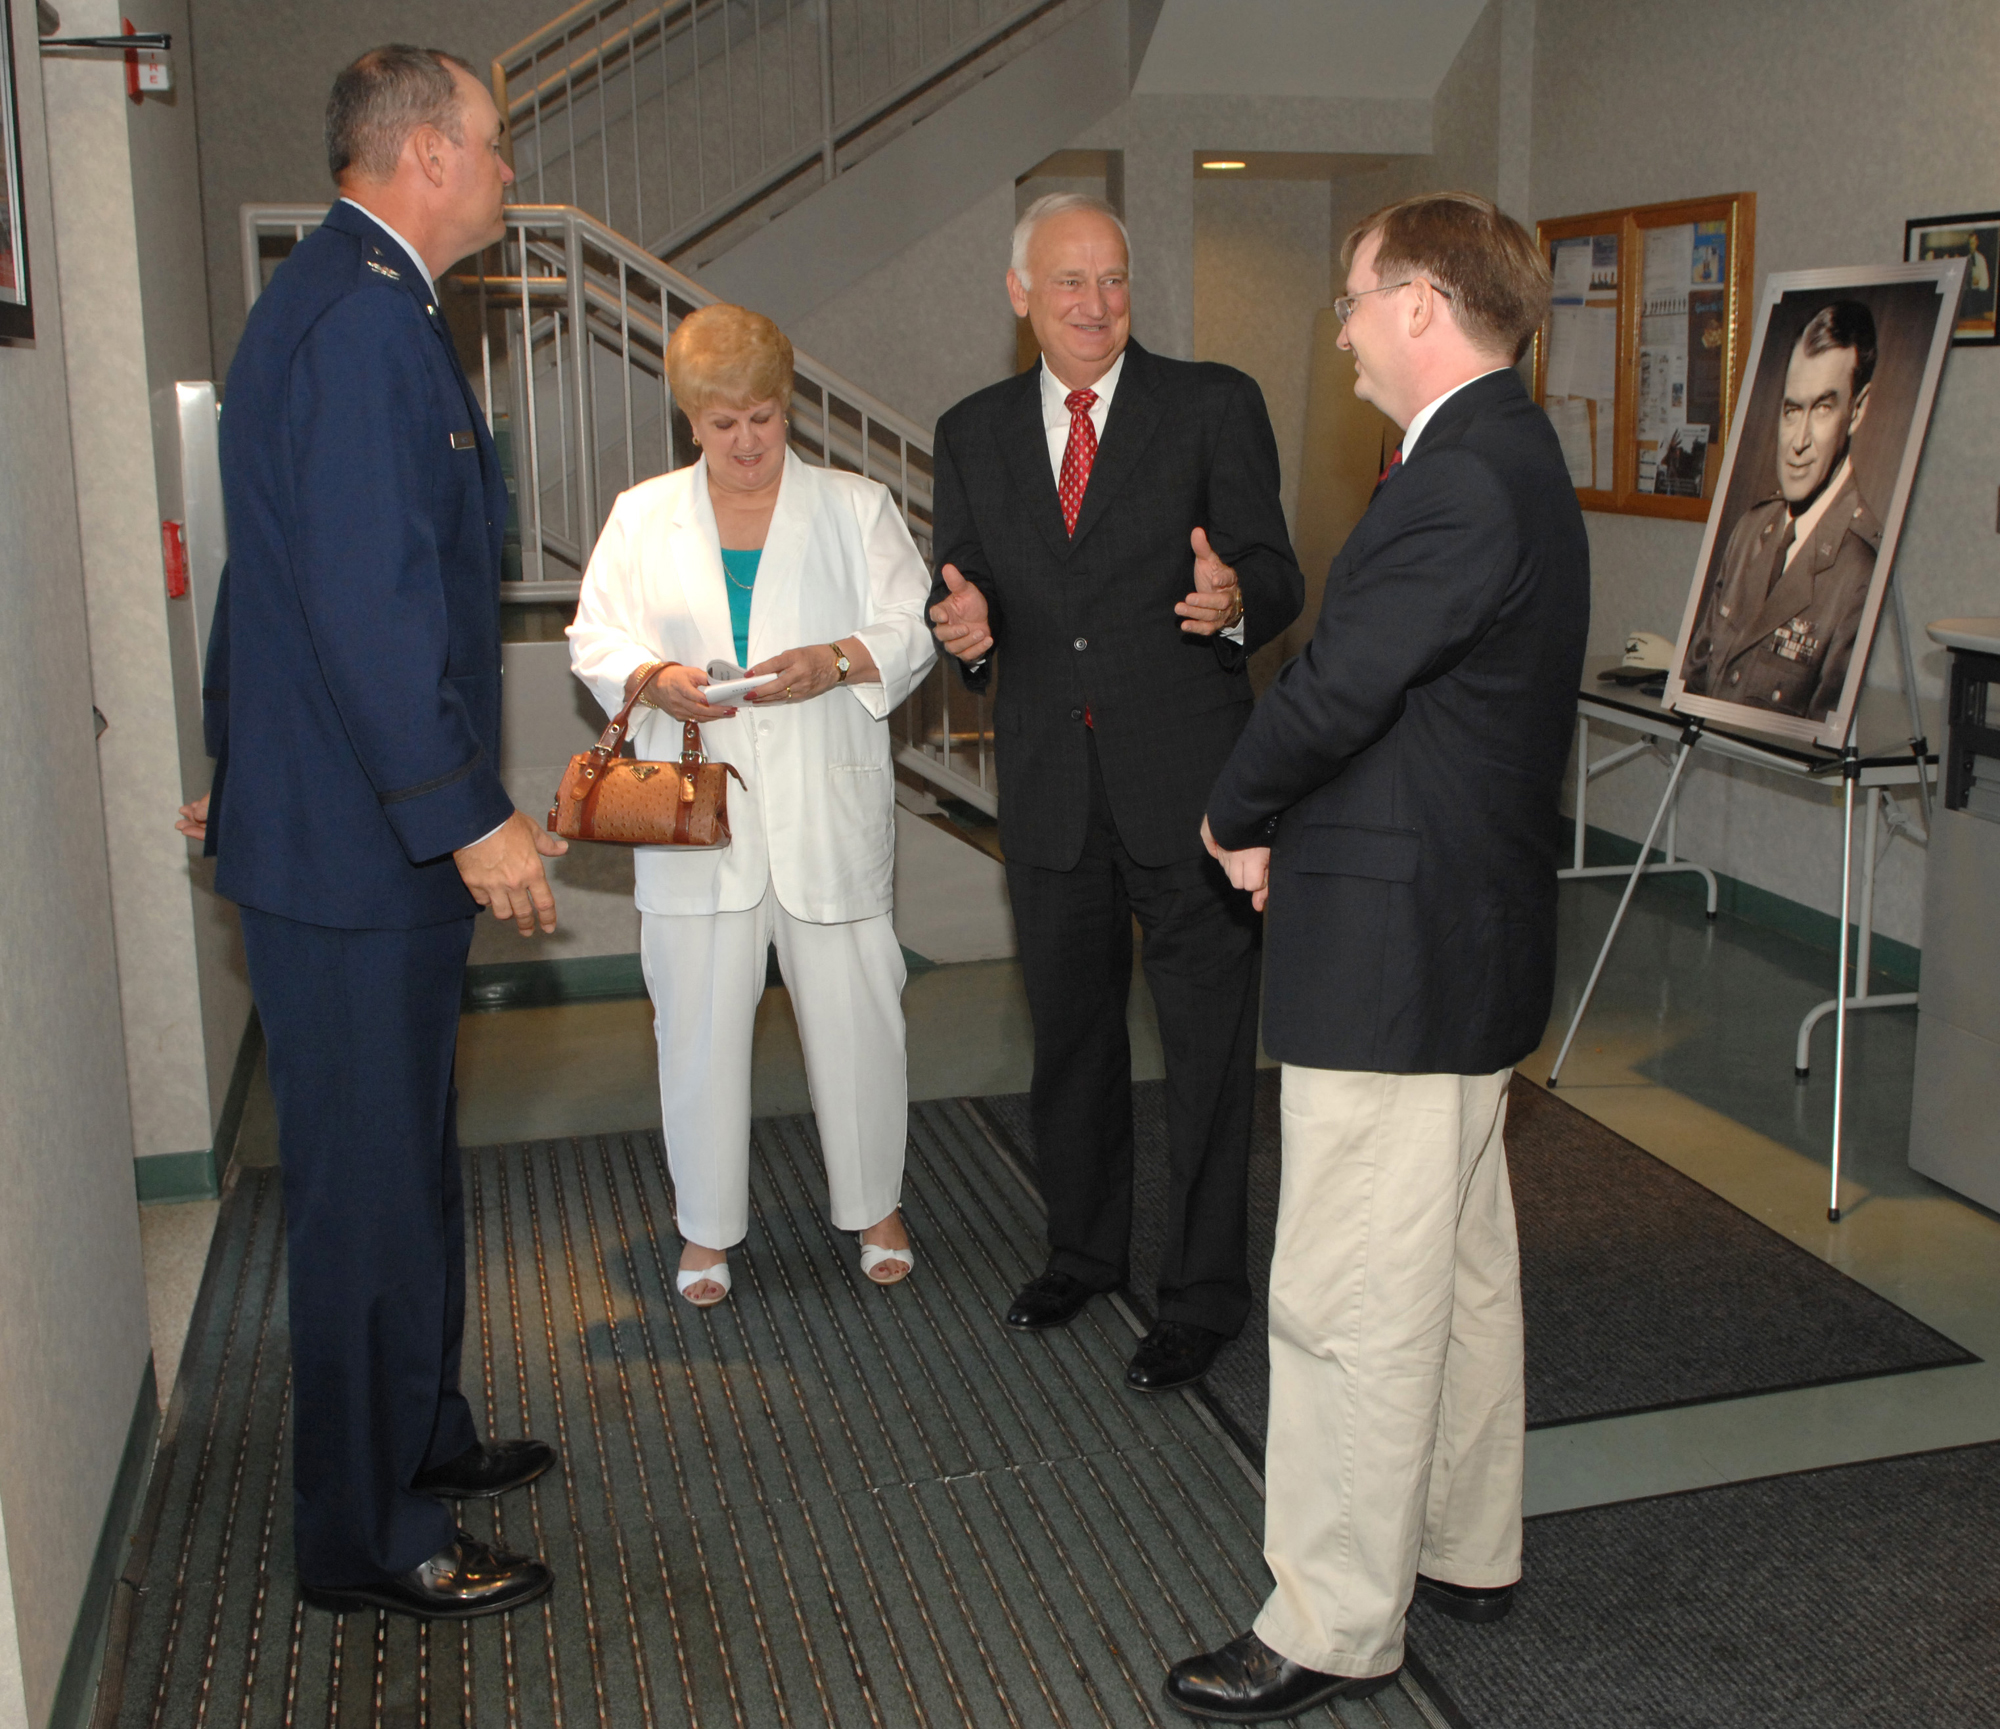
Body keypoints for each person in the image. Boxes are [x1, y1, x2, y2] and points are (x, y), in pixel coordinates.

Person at [1167, 191, 1589, 1721]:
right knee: (1460, 1271)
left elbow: (1340, 683)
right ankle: (1465, 1545)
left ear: (1422, 302)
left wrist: (1232, 806)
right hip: (1447, 938)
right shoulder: (1501, 456)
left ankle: (1335, 1618)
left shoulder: (1467, 476)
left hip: (1403, 959)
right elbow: (1413, 707)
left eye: (1351, 300)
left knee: (1348, 1295)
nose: (1338, 332)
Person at [174, 47, 562, 1619]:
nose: (508, 172)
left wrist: (241, 756)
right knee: (365, 1201)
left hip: (332, 831)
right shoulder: (356, 322)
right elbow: (367, 607)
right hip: (360, 854)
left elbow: (274, 588)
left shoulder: (364, 302)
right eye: (493, 145)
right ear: (420, 156)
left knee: (410, 1169)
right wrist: (467, 815)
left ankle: (423, 1435)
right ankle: (370, 1536)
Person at [927, 193, 1304, 1392]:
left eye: (1114, 280)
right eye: (1069, 282)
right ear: (1019, 293)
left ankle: (1200, 1295)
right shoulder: (972, 431)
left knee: (1203, 1057)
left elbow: (1278, 572)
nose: (1095, 305)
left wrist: (1233, 600)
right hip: (1046, 787)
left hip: (1189, 790)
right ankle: (1081, 1251)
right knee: (1072, 1044)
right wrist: (969, 636)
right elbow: (965, 595)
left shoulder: (1211, 405)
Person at [568, 303, 936, 1307]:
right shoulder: (641, 516)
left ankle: (875, 1206)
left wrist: (837, 659)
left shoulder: (855, 507)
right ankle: (704, 1230)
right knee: (694, 1027)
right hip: (696, 820)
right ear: (691, 420)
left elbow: (910, 628)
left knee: (861, 1018)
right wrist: (653, 676)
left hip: (826, 805)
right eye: (722, 421)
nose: (745, 440)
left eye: (763, 417)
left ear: (789, 410)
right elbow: (592, 638)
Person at [1680, 301, 1880, 721]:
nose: (1799, 441)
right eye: (1792, 410)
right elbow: (1694, 683)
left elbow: (1819, 749)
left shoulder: (1862, 571)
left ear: (1856, 411)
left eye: (1823, 409)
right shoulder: (1751, 530)